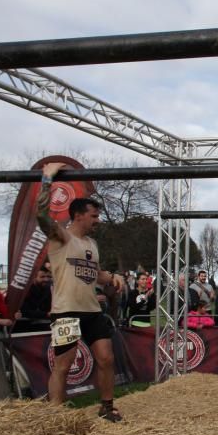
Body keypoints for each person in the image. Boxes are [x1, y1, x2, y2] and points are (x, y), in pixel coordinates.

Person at [37, 162, 127, 420]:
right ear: (78, 215)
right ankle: (56, 415)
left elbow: (94, 272)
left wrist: (111, 277)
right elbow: (41, 216)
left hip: (91, 310)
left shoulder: (91, 243)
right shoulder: (61, 237)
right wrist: (47, 180)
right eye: (94, 216)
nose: (98, 221)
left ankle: (107, 407)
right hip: (66, 310)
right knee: (63, 365)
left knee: (106, 358)